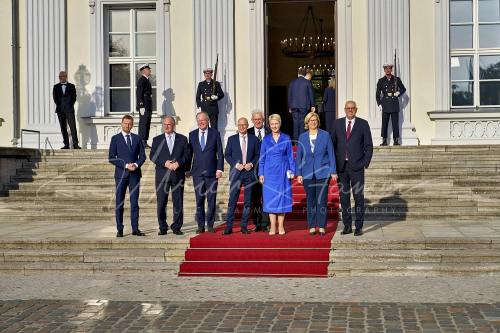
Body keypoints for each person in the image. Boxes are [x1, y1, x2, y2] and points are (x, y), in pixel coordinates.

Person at [331, 101, 373, 236]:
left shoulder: (363, 124)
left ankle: (359, 226)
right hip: (341, 167)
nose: (350, 110)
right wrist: (333, 166)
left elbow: (368, 146)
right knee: (344, 198)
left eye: (352, 108)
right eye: (348, 108)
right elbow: (332, 145)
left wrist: (364, 163)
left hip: (357, 167)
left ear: (356, 109)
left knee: (358, 197)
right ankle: (347, 226)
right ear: (344, 109)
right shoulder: (337, 124)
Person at [296, 112, 337, 236]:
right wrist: (299, 173)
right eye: (310, 120)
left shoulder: (325, 135)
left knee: (322, 200)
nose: (313, 122)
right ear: (307, 123)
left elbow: (331, 153)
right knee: (310, 200)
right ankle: (312, 226)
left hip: (323, 172)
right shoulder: (302, 137)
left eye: (315, 120)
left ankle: (322, 226)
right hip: (307, 173)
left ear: (318, 121)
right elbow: (299, 156)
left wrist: (333, 171)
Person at [149, 116, 189, 236]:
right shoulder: (156, 140)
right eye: (164, 124)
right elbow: (153, 156)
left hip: (177, 175)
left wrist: (179, 163)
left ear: (174, 125)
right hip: (162, 176)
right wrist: (164, 163)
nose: (166, 126)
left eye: (169, 124)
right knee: (161, 202)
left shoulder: (182, 139)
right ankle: (163, 227)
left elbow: (187, 155)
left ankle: (177, 226)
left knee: (178, 202)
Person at [108, 115, 146, 237]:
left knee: (134, 203)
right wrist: (125, 165)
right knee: (119, 202)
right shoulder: (115, 139)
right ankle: (120, 229)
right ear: (122, 123)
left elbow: (143, 156)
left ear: (132, 124)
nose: (127, 126)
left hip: (134, 175)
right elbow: (111, 157)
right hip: (121, 175)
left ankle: (135, 228)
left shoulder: (137, 138)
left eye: (129, 124)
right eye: (125, 123)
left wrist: (135, 164)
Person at [258, 114, 295, 235]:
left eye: (276, 123)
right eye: (272, 124)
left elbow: (290, 156)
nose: (274, 126)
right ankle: (273, 226)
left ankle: (281, 226)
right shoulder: (266, 139)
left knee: (282, 199)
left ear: (280, 124)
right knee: (270, 200)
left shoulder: (286, 138)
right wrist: (261, 173)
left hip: (283, 172)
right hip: (269, 174)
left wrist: (293, 171)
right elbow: (262, 158)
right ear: (269, 125)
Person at [188, 112, 224, 233]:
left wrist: (219, 169)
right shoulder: (192, 135)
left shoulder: (215, 133)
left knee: (211, 199)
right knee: (199, 200)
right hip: (197, 173)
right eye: (199, 120)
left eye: (203, 120)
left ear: (208, 120)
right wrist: (187, 169)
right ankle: (200, 225)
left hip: (212, 173)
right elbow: (189, 154)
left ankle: (210, 225)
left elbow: (220, 152)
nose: (201, 122)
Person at [223, 117, 260, 235]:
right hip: (236, 173)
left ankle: (244, 226)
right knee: (232, 200)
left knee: (248, 201)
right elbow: (227, 155)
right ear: (237, 126)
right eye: (240, 125)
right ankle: (229, 226)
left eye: (244, 125)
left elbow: (258, 154)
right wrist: (236, 164)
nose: (242, 127)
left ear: (247, 125)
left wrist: (252, 163)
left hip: (249, 173)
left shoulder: (254, 139)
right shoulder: (231, 139)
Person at [247, 110, 271, 231]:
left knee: (267, 197)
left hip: (267, 170)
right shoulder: (248, 132)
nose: (257, 121)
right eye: (255, 119)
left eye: (259, 119)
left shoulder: (270, 131)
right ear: (252, 120)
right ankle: (257, 223)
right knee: (255, 198)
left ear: (263, 119)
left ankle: (265, 223)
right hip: (252, 171)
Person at [376, 63, 406, 146]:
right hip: (385, 104)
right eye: (386, 68)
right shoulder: (381, 81)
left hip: (394, 103)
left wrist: (398, 93)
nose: (388, 70)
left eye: (389, 68)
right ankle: (384, 140)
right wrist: (379, 104)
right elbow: (377, 94)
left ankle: (396, 140)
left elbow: (403, 89)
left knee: (395, 123)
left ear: (391, 69)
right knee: (384, 123)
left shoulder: (396, 79)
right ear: (384, 70)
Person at [52, 71, 80, 149]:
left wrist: (69, 105)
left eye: (62, 76)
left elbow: (74, 98)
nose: (60, 78)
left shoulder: (71, 86)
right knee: (63, 128)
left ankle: (75, 144)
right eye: (59, 77)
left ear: (66, 76)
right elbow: (55, 98)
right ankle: (66, 144)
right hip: (60, 110)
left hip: (69, 109)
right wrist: (61, 105)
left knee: (73, 127)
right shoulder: (56, 86)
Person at [288, 67, 315, 142]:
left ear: (298, 74)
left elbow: (289, 95)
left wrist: (290, 106)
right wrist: (313, 105)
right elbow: (311, 94)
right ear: (304, 74)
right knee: (303, 124)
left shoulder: (292, 82)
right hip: (304, 106)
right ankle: (302, 142)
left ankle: (296, 143)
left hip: (294, 107)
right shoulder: (307, 82)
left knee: (295, 125)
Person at [136, 63, 153, 147]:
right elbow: (139, 94)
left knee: (147, 122)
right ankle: (141, 141)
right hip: (144, 104)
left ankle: (145, 140)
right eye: (148, 69)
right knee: (143, 122)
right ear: (144, 70)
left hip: (148, 104)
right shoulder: (142, 80)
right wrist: (141, 106)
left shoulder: (147, 80)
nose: (150, 70)